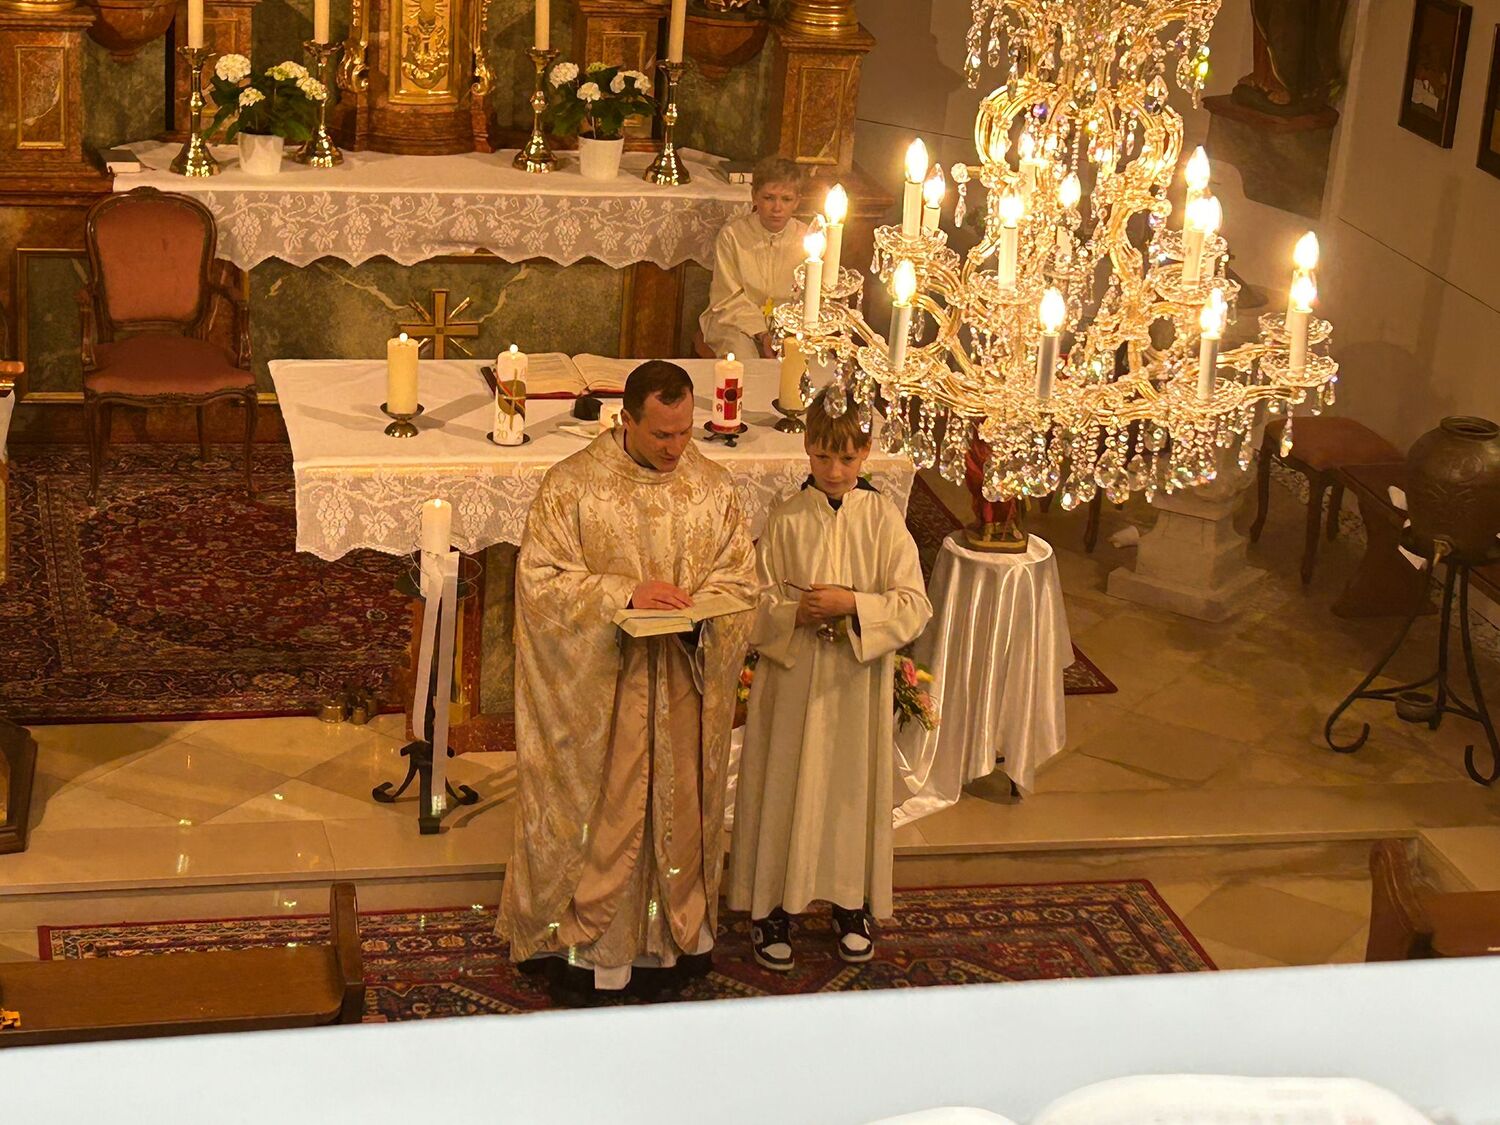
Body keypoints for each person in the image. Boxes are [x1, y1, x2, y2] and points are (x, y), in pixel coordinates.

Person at [497, 361, 756, 995]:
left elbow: (741, 580)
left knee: (680, 807)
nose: (676, 448)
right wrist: (623, 594)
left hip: (683, 685)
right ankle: (588, 947)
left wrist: (702, 616)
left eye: (685, 432)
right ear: (626, 421)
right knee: (609, 811)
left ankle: (673, 939)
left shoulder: (712, 489)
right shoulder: (572, 487)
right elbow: (539, 585)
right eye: (661, 434)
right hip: (606, 694)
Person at [726, 388, 932, 970]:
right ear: (807, 449)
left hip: (853, 685)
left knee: (847, 793)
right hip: (792, 685)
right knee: (783, 786)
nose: (834, 471)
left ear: (866, 452)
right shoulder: (786, 518)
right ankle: (770, 908)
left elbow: (915, 605)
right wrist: (793, 613)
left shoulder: (883, 520)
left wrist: (855, 605)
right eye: (822, 456)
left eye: (846, 458)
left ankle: (849, 903)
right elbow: (752, 603)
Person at [699, 156, 808, 360]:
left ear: (797, 202)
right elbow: (727, 297)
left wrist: (786, 332)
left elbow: (811, 298)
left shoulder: (808, 240)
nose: (777, 208)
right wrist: (762, 332)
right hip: (735, 322)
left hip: (791, 327)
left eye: (786, 199)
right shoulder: (733, 235)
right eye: (769, 198)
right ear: (754, 196)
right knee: (744, 360)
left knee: (800, 364)